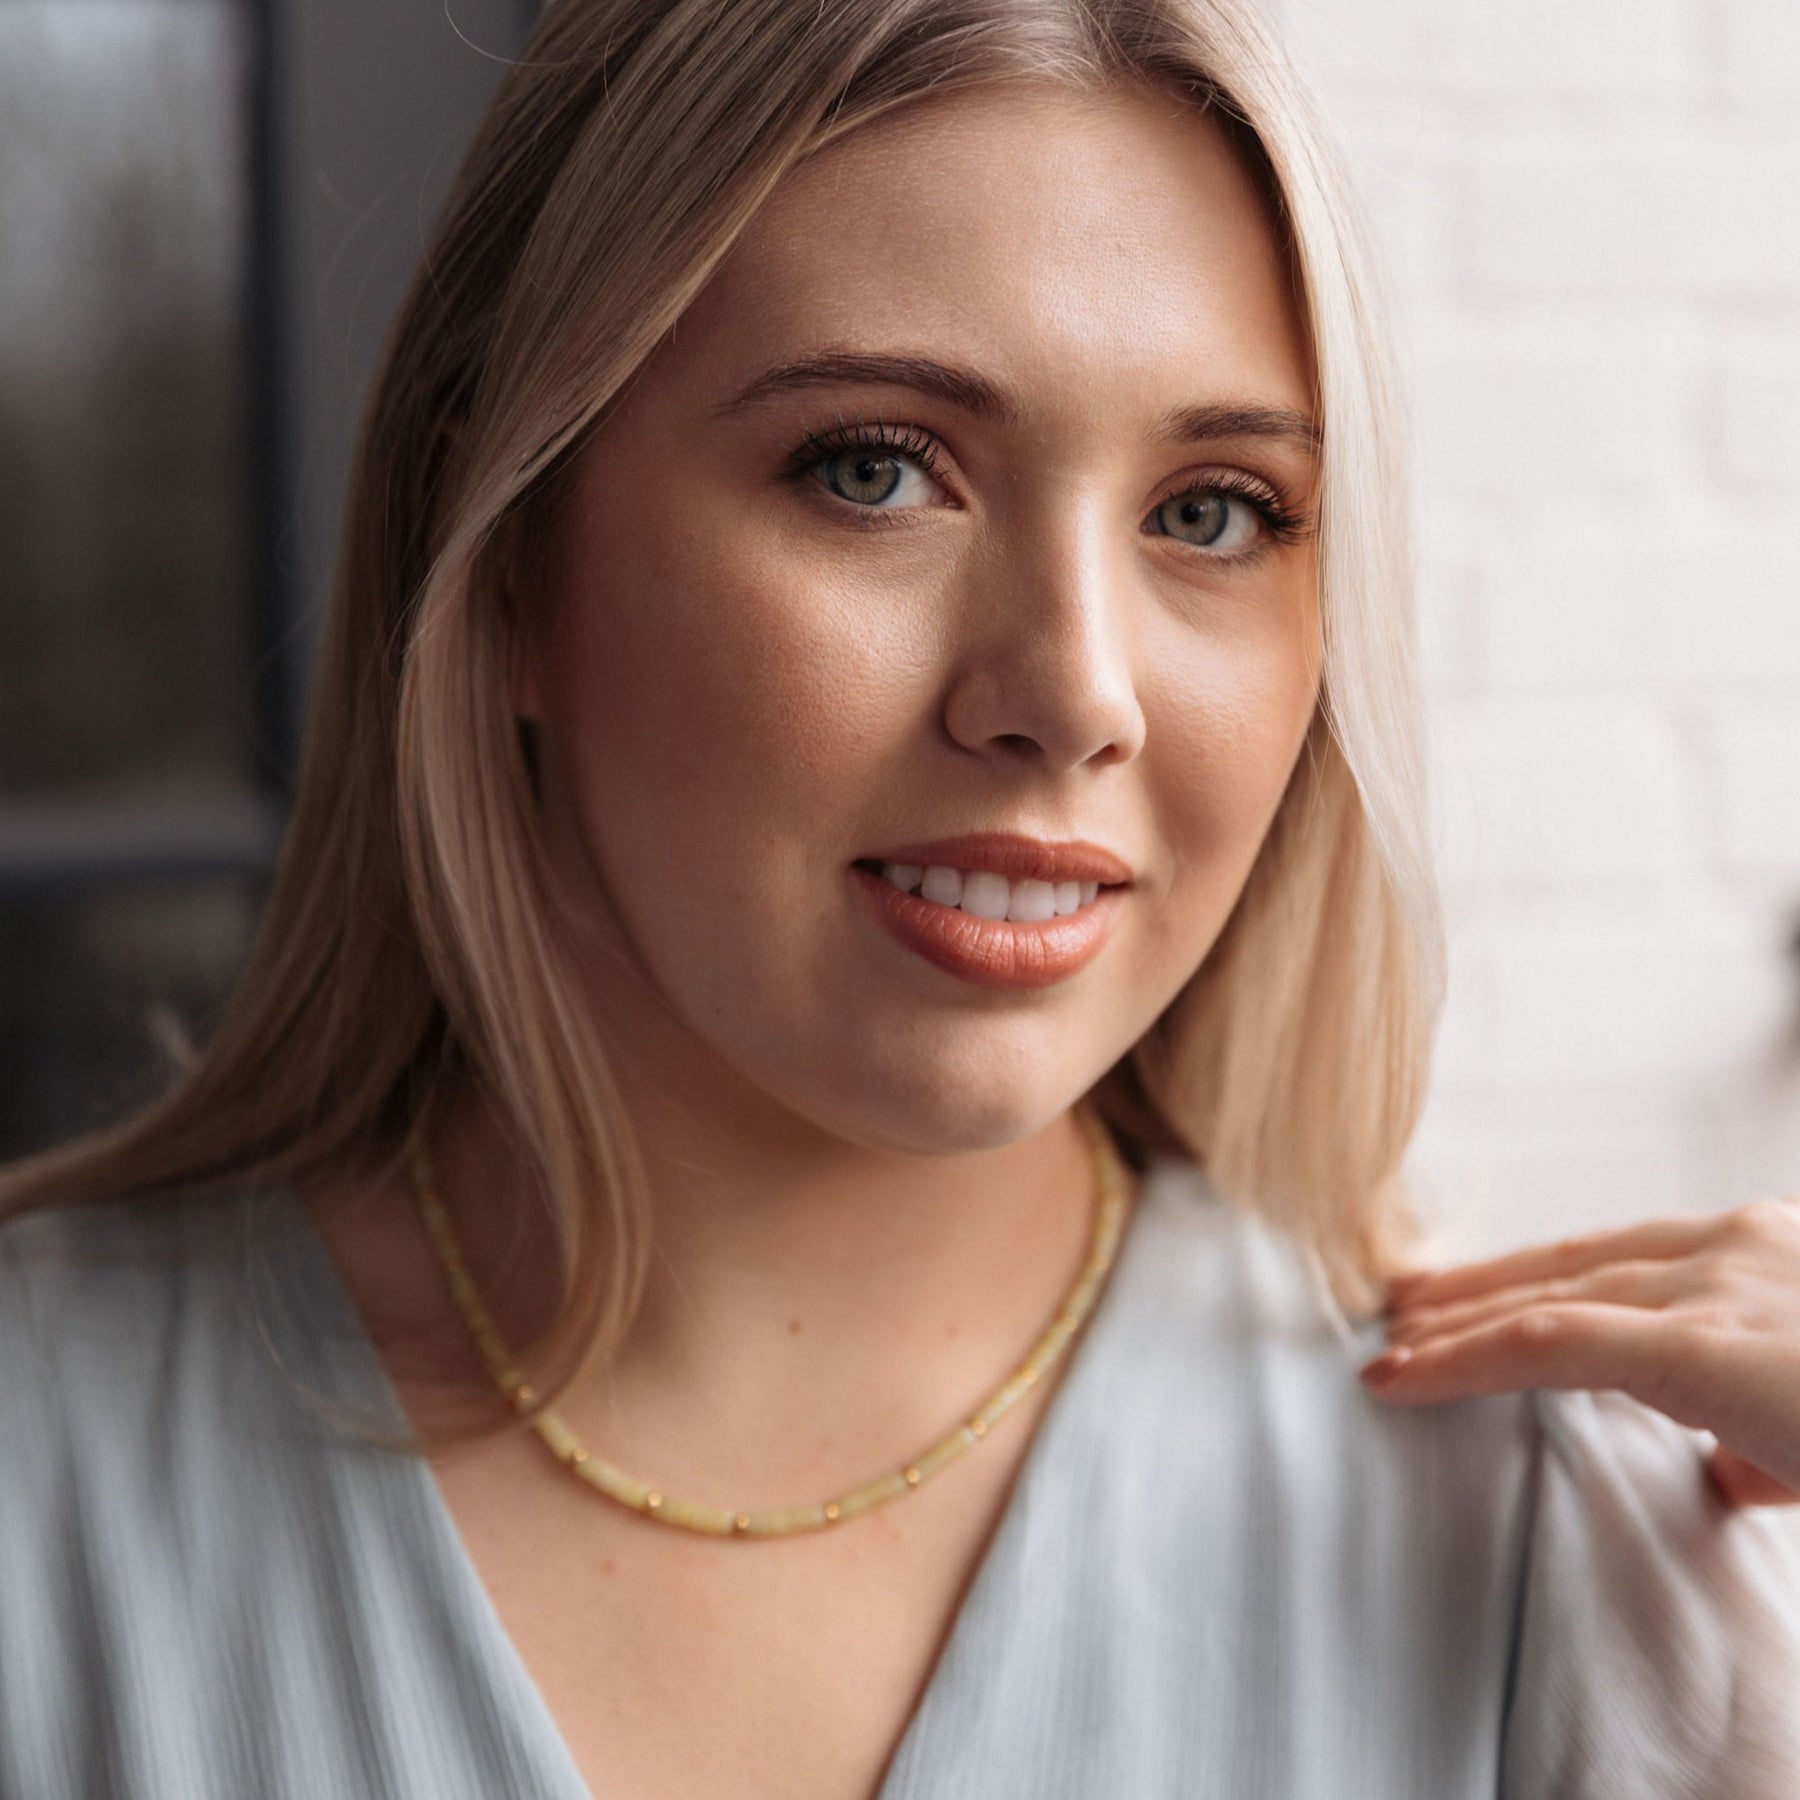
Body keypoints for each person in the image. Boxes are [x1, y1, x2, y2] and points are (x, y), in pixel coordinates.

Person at [4, 1, 1799, 1795]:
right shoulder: (41, 1489)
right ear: (511, 557)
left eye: (1216, 512)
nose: (1079, 689)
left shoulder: (1543, 1553)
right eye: (874, 468)